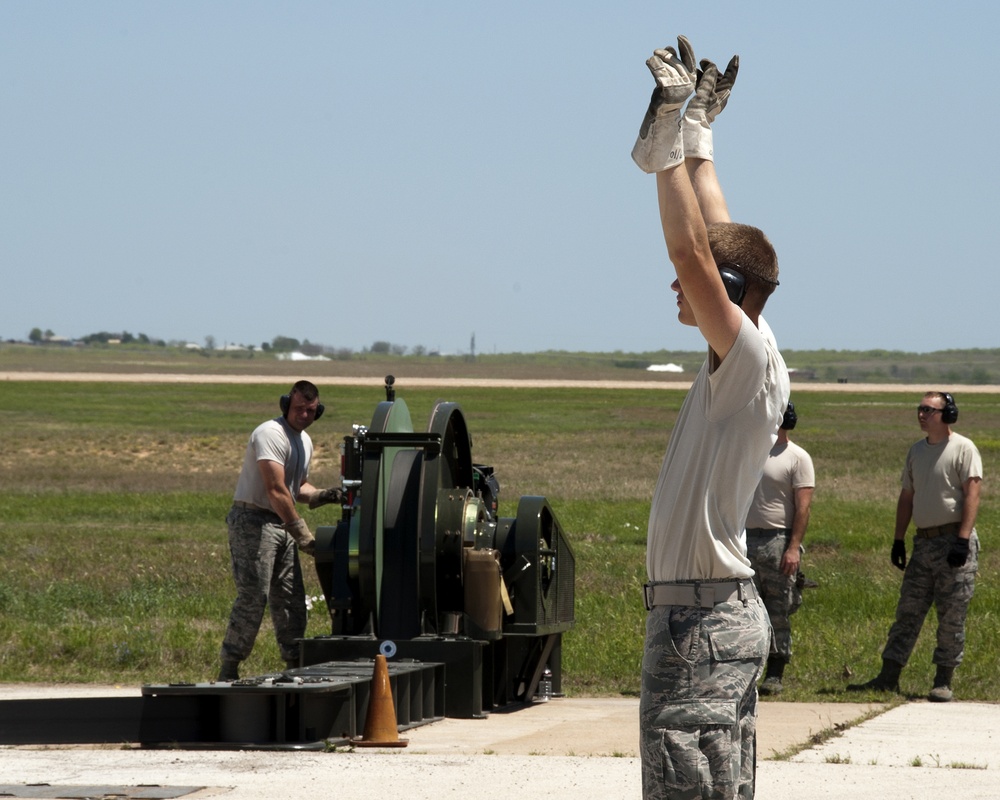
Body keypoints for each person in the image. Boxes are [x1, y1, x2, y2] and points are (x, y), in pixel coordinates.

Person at [632, 35, 790, 800]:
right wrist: (698, 133)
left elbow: (697, 253)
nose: (676, 287)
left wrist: (662, 149)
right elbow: (719, 234)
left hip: (700, 623)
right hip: (706, 616)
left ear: (727, 291)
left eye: (689, 283)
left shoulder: (747, 357)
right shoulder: (752, 348)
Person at [847, 391, 982, 702]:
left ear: (947, 415)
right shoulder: (916, 451)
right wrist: (898, 539)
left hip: (953, 542)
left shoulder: (964, 448)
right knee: (907, 611)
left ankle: (943, 680)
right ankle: (888, 676)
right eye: (920, 409)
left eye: (929, 410)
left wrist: (962, 539)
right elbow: (906, 497)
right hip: (924, 542)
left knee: (951, 615)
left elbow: (972, 496)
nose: (922, 415)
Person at [217, 380, 342, 681]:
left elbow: (296, 486)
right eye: (299, 409)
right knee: (253, 596)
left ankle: (293, 664)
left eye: (310, 411)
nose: (304, 415)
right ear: (286, 405)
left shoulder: (305, 441)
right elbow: (275, 490)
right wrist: (302, 534)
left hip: (280, 522)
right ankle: (229, 666)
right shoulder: (270, 433)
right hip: (254, 521)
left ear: (318, 411)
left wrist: (322, 495)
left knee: (290, 598)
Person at [745, 400, 815, 696]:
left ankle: (776, 671)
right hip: (746, 539)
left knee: (778, 608)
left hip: (778, 540)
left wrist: (793, 547)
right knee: (747, 608)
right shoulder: (749, 453)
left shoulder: (797, 458)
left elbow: (803, 507)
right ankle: (748, 667)